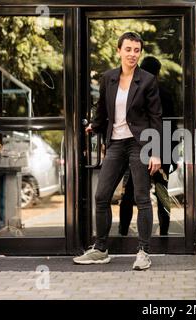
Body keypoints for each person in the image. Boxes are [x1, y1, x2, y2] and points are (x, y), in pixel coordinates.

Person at [73, 32, 162, 270]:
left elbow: (156, 118)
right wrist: (96, 124)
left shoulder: (147, 80)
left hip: (139, 144)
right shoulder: (108, 78)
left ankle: (143, 251)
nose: (132, 54)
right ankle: (101, 249)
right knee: (101, 196)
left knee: (141, 198)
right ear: (119, 50)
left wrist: (155, 152)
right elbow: (102, 108)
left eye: (136, 50)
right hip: (115, 143)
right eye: (128, 49)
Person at [118, 56, 177, 236]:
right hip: (163, 148)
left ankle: (122, 230)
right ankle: (164, 230)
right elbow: (171, 125)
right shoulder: (166, 93)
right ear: (158, 73)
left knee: (130, 192)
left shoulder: (133, 90)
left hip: (139, 147)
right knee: (162, 191)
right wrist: (173, 154)